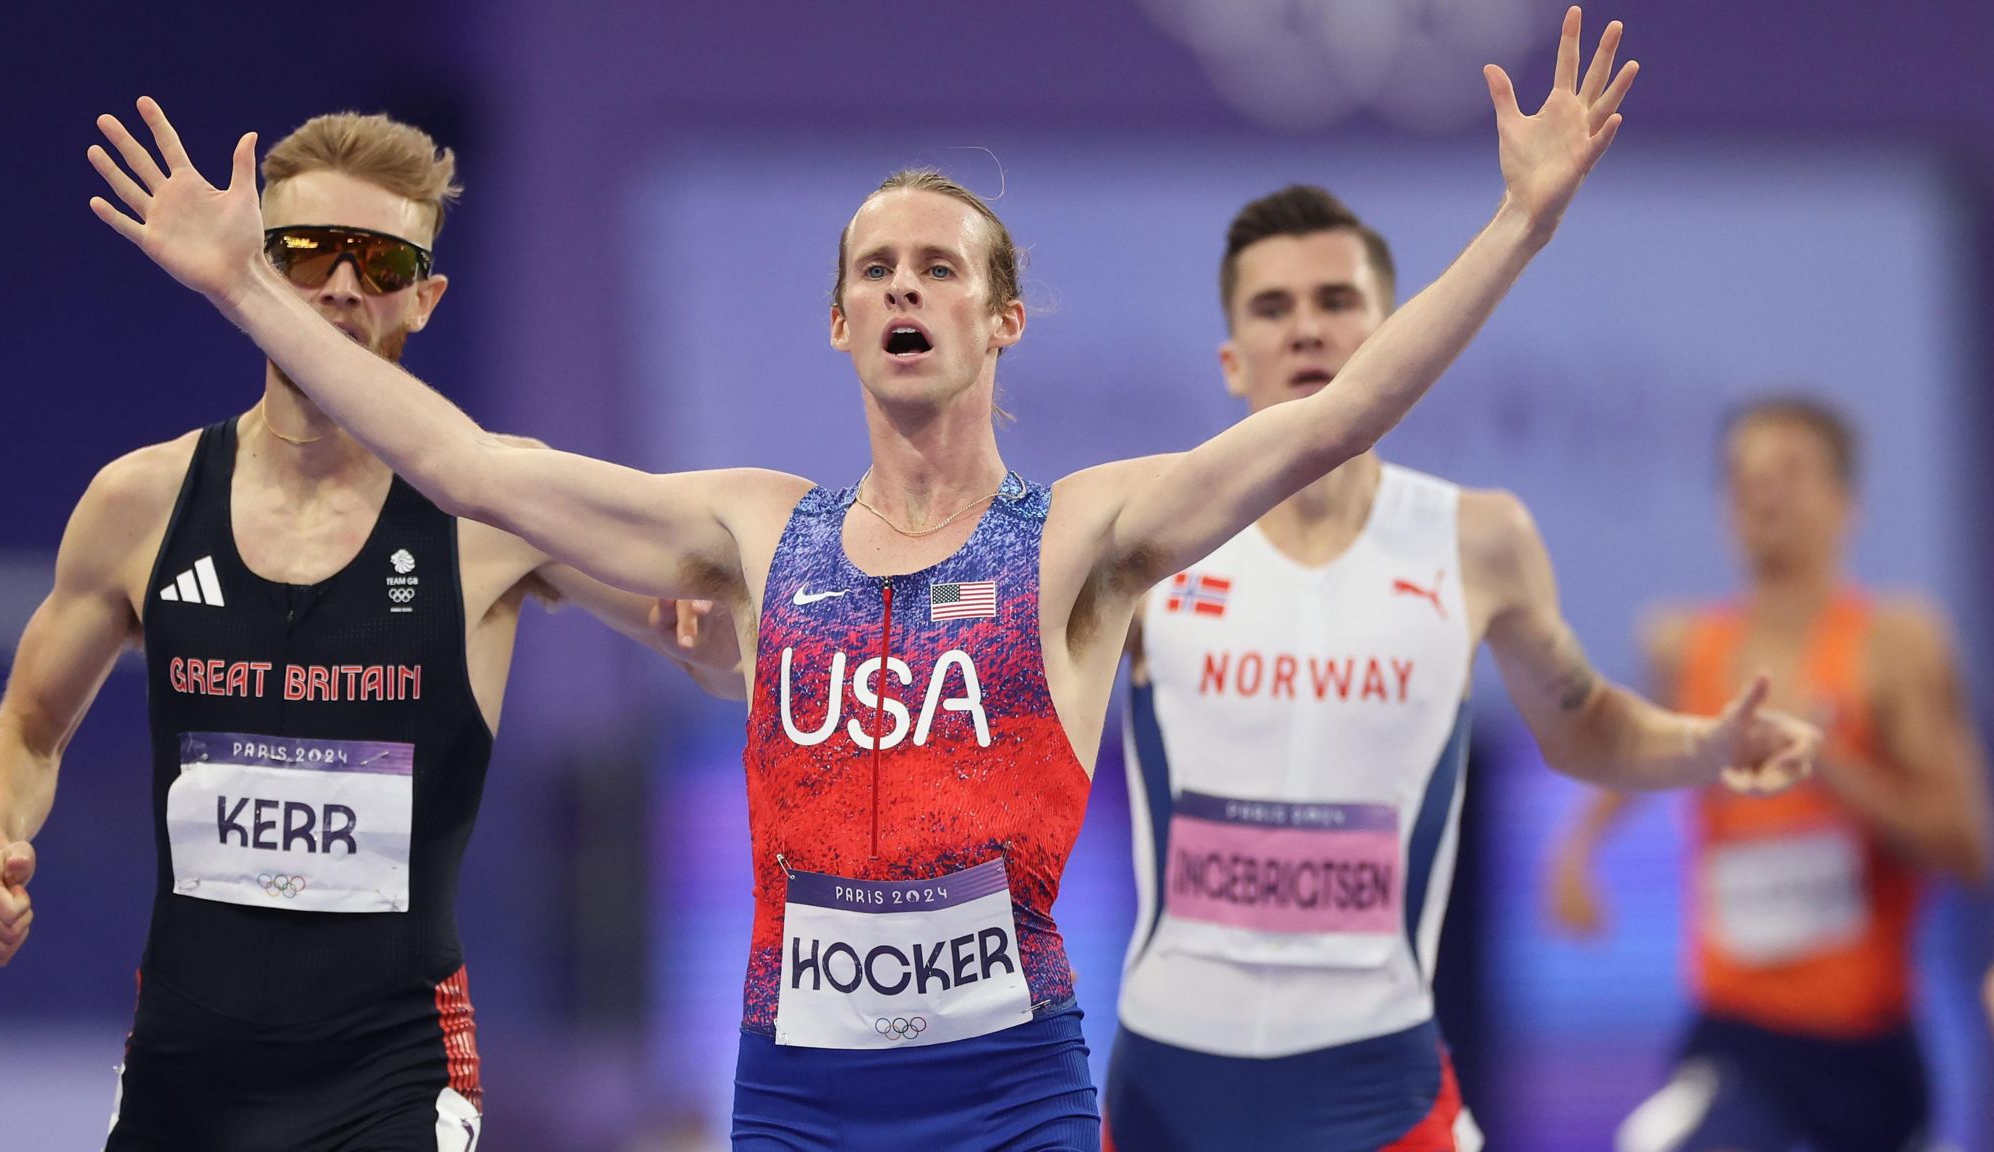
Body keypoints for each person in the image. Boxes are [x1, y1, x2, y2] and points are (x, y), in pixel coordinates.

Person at [86, 12, 1751, 1147]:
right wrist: (255, 294)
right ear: (837, 322)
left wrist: (1518, 223)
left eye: (936, 267)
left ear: (994, 320)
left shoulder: (1083, 542)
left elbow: (1346, 416)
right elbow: (465, 466)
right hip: (797, 1093)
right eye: (872, 267)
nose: (903, 287)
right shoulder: (751, 529)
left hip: (1012, 1090)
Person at [0, 111, 740, 1151]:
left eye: (378, 261)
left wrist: (702, 632)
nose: (338, 284)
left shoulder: (495, 513)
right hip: (182, 1075)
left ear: (425, 297)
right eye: (305, 252)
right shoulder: (139, 504)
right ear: (255, 265)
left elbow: (717, 651)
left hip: (393, 1077)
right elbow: (26, 728)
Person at [1101, 167, 1821, 1151]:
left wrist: (1703, 745)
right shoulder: (1149, 542)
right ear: (1232, 358)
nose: (1305, 329)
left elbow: (1586, 725)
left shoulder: (1473, 540)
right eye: (1272, 308)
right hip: (1172, 1092)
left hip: (1377, 1086)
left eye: (1335, 301)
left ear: (1393, 332)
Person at [1547, 398, 1993, 1152]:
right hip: (1737, 1037)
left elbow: (1967, 849)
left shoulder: (1893, 646)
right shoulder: (1686, 644)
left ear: (1847, 503)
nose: (1763, 493)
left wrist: (1836, 770)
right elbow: (1634, 752)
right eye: (1743, 477)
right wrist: (1575, 853)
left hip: (1869, 1050)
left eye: (1789, 472)